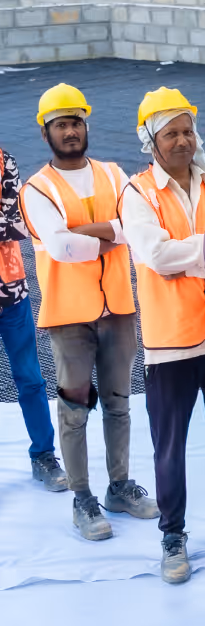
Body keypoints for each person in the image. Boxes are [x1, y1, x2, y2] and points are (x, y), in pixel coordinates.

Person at [21, 83, 156, 541]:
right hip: (69, 317)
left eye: (76, 121)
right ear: (46, 133)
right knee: (76, 409)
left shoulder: (115, 175)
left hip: (118, 309)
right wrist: (109, 233)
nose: (70, 130)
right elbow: (59, 247)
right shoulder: (37, 188)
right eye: (61, 124)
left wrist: (81, 231)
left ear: (85, 125)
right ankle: (83, 498)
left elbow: (135, 229)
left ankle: (119, 487)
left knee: (119, 404)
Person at [122, 88, 205, 585]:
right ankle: (173, 534)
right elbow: (156, 256)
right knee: (168, 447)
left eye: (188, 130)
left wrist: (204, 247)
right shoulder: (137, 192)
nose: (182, 141)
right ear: (151, 140)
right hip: (169, 342)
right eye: (171, 133)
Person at [0, 140, 66, 493]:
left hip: (11, 291)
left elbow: (16, 225)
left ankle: (43, 455)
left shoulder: (3, 161)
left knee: (30, 378)